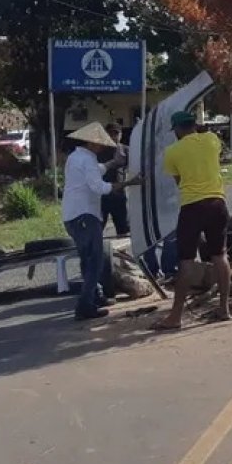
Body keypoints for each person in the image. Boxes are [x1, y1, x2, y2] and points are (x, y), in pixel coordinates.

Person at [152, 111, 231, 330]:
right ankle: (224, 308)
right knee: (220, 255)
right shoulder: (212, 140)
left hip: (192, 208)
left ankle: (175, 317)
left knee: (186, 261)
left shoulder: (172, 152)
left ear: (177, 129)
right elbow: (210, 140)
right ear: (194, 125)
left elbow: (180, 182)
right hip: (218, 203)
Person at [62, 122, 140, 320]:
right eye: (99, 143)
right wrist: (128, 183)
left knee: (87, 259)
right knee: (95, 261)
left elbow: (97, 170)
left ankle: (94, 295)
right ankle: (85, 305)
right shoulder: (86, 159)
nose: (102, 146)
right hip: (85, 215)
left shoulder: (75, 157)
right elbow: (99, 187)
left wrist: (112, 164)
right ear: (92, 143)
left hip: (73, 215)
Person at [100, 123, 131, 237]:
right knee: (98, 227)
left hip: (119, 195)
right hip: (102, 194)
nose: (113, 136)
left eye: (116, 133)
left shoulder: (126, 150)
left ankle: (123, 253)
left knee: (123, 228)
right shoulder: (99, 149)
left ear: (121, 134)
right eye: (110, 133)